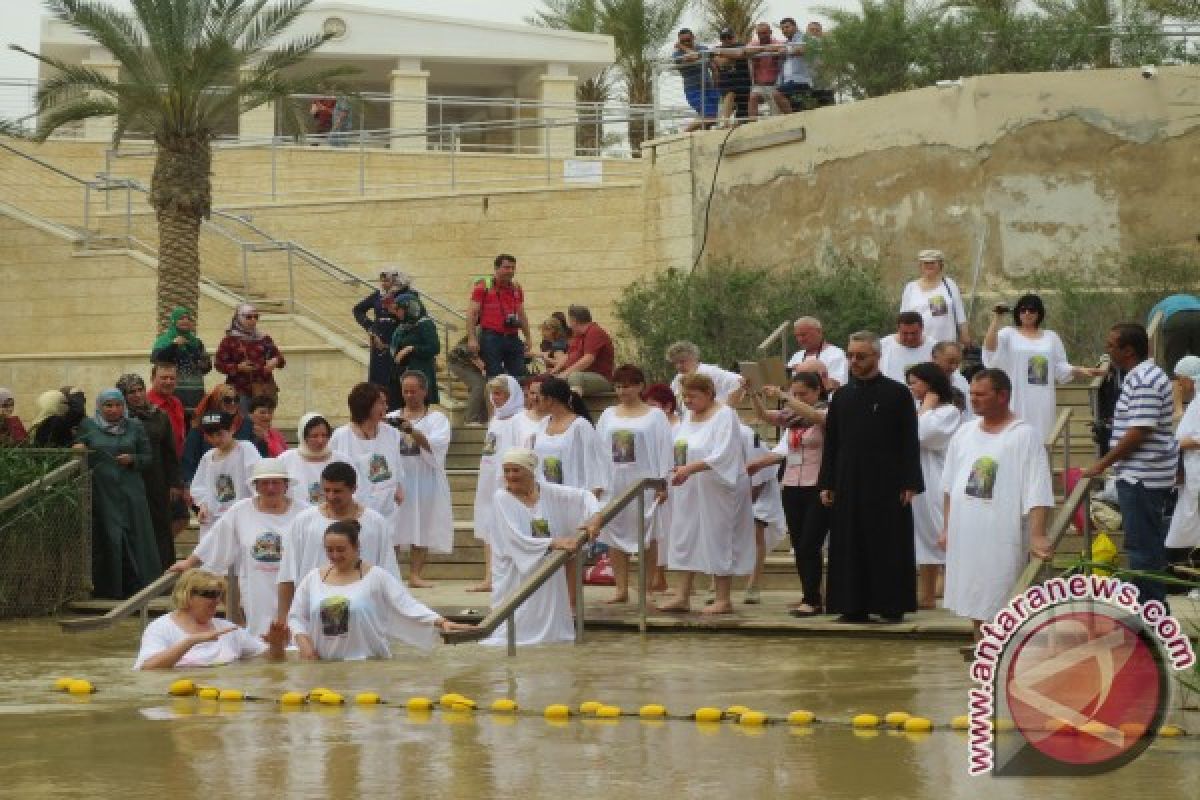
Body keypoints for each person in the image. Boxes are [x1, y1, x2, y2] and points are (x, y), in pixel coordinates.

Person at [818, 331, 923, 623]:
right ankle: (852, 605)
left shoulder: (898, 393)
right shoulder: (841, 396)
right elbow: (832, 442)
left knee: (888, 541)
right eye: (851, 355)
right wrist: (826, 481)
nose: (854, 361)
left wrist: (910, 481)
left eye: (860, 356)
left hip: (888, 482)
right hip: (847, 481)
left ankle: (891, 604)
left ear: (877, 357)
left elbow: (908, 441)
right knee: (849, 542)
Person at [941, 369, 1054, 635]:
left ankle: (1003, 657)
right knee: (973, 600)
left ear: (1002, 396)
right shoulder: (964, 432)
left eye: (981, 394)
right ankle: (984, 654)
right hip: (966, 531)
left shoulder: (1024, 435)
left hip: (1001, 533)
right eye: (971, 394)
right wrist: (947, 527)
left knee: (1001, 597)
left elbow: (1038, 489)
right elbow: (948, 486)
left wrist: (1037, 534)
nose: (974, 399)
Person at [1082, 323, 1179, 606]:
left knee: (1142, 550)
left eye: (1112, 345)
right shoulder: (1137, 377)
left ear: (1128, 350)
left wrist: (1101, 464)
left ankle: (1151, 618)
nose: (1107, 350)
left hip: (1143, 478)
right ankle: (1149, 612)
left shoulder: (1145, 379)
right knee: (1143, 547)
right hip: (1140, 475)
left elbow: (1140, 430)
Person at [288, 520, 471, 660]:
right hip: (324, 666)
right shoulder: (313, 579)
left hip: (368, 664)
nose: (335, 555)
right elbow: (296, 617)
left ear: (356, 547)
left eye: (341, 549)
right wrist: (305, 646)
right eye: (330, 550)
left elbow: (406, 604)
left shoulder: (377, 577)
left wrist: (440, 622)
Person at [482, 448, 602, 647]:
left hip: (548, 570)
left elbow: (585, 496)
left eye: (516, 470)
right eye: (507, 470)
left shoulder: (548, 491)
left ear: (530, 472)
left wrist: (595, 518)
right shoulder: (501, 498)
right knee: (507, 634)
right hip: (514, 571)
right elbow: (515, 538)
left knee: (553, 638)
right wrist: (554, 542)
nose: (510, 476)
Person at [656, 373, 754, 615]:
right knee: (684, 535)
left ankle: (723, 598)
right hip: (688, 487)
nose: (687, 401)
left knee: (718, 537)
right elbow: (677, 448)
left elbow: (724, 454)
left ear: (709, 394)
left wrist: (691, 468)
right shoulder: (687, 416)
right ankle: (682, 595)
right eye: (684, 396)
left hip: (719, 486)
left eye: (693, 396)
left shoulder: (725, 415)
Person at [171, 458, 301, 636]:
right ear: (255, 486)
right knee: (261, 634)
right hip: (257, 585)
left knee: (295, 631)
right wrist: (189, 562)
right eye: (264, 483)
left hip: (296, 585)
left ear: (286, 485)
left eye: (276, 482)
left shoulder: (304, 513)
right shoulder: (241, 510)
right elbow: (216, 538)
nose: (270, 488)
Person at [276, 462, 402, 625]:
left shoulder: (375, 523)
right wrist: (284, 620)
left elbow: (389, 575)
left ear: (353, 489)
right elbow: (287, 575)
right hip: (313, 617)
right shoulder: (304, 521)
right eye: (326, 490)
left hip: (362, 618)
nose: (330, 496)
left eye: (337, 491)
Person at [747, 373, 829, 616]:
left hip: (817, 485)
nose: (798, 398)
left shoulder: (827, 411)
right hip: (792, 485)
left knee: (810, 543)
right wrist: (754, 394)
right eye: (795, 393)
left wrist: (784, 397)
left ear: (817, 392)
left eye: (803, 394)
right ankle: (810, 594)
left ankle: (813, 599)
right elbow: (765, 416)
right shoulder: (792, 419)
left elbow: (813, 416)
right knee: (799, 544)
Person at [73, 389, 162, 599]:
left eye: (118, 405)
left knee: (137, 537)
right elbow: (80, 448)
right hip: (103, 492)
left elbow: (148, 457)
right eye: (108, 405)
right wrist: (78, 448)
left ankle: (142, 588)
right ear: (100, 407)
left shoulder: (135, 426)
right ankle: (111, 589)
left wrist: (132, 459)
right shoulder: (89, 426)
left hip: (131, 491)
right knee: (111, 538)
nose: (113, 410)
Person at [595, 365, 673, 603]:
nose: (622, 391)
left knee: (647, 534)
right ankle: (621, 588)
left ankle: (647, 589)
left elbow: (664, 448)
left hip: (644, 482)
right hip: (614, 481)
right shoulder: (608, 414)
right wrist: (597, 482)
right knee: (614, 535)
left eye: (627, 386)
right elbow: (598, 450)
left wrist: (663, 482)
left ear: (640, 386)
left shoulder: (655, 416)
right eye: (618, 386)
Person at [983, 293, 1104, 443]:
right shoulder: (1009, 334)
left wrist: (1080, 370)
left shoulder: (1051, 337)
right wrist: (997, 318)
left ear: (1039, 313)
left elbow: (1060, 366)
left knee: (1041, 439)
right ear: (1018, 313)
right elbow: (990, 349)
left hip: (1042, 398)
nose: (1027, 313)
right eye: (1023, 310)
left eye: (1032, 310)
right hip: (1017, 396)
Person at [134, 568, 285, 669]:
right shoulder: (161, 628)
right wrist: (190, 641)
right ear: (187, 595)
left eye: (219, 594)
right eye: (209, 594)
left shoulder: (227, 629)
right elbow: (147, 668)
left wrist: (277, 646)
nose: (217, 601)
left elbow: (269, 660)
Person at [387, 370, 454, 588]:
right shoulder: (390, 418)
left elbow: (434, 446)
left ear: (424, 392)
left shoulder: (437, 419)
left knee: (422, 524)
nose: (408, 395)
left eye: (413, 391)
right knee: (394, 526)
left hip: (425, 478)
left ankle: (415, 575)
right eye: (405, 391)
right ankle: (392, 573)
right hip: (399, 479)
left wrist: (411, 430)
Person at [904, 362, 962, 610]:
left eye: (915, 382)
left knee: (936, 534)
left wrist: (926, 406)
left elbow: (922, 434)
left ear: (930, 384)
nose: (911, 387)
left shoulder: (949, 411)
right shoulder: (917, 409)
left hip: (936, 480)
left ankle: (946, 590)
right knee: (921, 536)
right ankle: (926, 594)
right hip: (915, 477)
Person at [116, 373, 181, 570]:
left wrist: (175, 483)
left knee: (160, 525)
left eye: (139, 390)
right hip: (130, 478)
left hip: (157, 479)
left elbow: (170, 452)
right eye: (130, 392)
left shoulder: (159, 415)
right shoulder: (118, 419)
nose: (136, 395)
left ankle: (165, 572)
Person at [471, 375, 526, 593]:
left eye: (500, 393)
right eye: (493, 394)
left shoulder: (520, 419)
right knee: (488, 525)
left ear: (511, 394)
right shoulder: (495, 419)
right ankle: (490, 577)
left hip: (508, 479)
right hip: (488, 478)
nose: (496, 398)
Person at [329, 382, 406, 520]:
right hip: (355, 511)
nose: (386, 407)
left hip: (387, 510)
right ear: (367, 405)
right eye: (381, 403)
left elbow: (397, 465)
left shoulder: (392, 433)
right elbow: (334, 473)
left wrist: (399, 487)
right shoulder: (341, 436)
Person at [189, 410, 262, 537]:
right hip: (214, 520)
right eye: (211, 436)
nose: (216, 439)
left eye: (220, 434)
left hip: (242, 516)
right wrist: (203, 505)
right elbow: (199, 487)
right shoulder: (208, 457)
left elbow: (257, 478)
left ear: (232, 429)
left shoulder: (245, 449)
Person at [531, 377, 607, 496]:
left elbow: (595, 463)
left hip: (573, 496)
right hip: (546, 496)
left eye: (538, 396)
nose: (535, 399)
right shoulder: (543, 424)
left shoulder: (581, 426)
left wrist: (592, 496)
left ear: (549, 399)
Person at [740, 421, 788, 605]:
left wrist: (747, 500)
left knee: (756, 534)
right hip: (732, 491)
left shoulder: (748, 437)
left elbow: (761, 473)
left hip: (759, 493)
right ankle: (716, 585)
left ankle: (753, 585)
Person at [467, 254, 533, 379]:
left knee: (519, 377)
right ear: (496, 268)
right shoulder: (483, 287)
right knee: (495, 377)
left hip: (513, 337)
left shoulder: (516, 288)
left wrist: (528, 337)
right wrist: (472, 338)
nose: (511, 271)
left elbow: (522, 314)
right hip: (492, 338)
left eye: (513, 268)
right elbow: (472, 313)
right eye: (507, 267)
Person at [180, 385, 260, 488]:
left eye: (236, 399)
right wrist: (189, 486)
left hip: (241, 484)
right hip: (209, 483)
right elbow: (189, 459)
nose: (233, 403)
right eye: (227, 400)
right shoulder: (201, 424)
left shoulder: (246, 423)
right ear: (216, 401)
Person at [214, 304, 285, 414]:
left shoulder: (264, 339)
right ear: (239, 318)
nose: (253, 320)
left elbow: (280, 359)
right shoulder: (229, 340)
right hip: (240, 391)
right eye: (248, 317)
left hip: (263, 390)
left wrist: (275, 361)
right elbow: (219, 364)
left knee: (262, 423)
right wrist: (238, 367)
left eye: (256, 317)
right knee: (243, 424)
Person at [353, 269, 407, 409]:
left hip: (397, 344)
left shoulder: (405, 295)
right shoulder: (378, 295)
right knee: (378, 380)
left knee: (395, 379)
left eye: (387, 280)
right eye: (382, 280)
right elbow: (358, 309)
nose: (383, 283)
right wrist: (371, 327)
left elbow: (410, 316)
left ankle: (395, 413)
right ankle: (377, 410)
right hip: (378, 344)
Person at [278, 413, 353, 507]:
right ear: (303, 436)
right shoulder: (286, 459)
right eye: (314, 436)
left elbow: (355, 491)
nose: (320, 440)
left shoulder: (342, 460)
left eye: (324, 435)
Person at [899, 250, 970, 345]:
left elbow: (960, 313)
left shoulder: (949, 284)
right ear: (920, 266)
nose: (929, 265)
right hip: (920, 343)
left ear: (940, 265)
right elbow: (904, 319)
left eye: (932, 263)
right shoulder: (910, 287)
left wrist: (965, 335)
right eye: (926, 263)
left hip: (945, 344)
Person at [1166, 356, 1200, 551]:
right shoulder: (1195, 402)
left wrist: (1175, 444)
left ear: (1188, 378)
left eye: (1180, 379)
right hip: (1191, 471)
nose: (1179, 384)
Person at [150, 306, 211, 413]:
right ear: (173, 321)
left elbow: (207, 367)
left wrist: (203, 364)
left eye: (188, 318)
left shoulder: (197, 342)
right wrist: (174, 345)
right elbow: (156, 359)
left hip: (195, 394)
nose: (185, 321)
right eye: (181, 318)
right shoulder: (164, 341)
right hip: (173, 393)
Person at [548, 305, 615, 396]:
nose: (569, 325)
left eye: (569, 320)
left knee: (575, 376)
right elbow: (568, 356)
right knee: (549, 381)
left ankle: (575, 407)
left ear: (574, 320)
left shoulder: (594, 332)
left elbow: (588, 359)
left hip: (601, 378)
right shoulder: (578, 335)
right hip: (580, 375)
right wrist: (555, 371)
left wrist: (565, 374)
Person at [390, 293, 441, 406]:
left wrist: (411, 349)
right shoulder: (404, 326)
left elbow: (434, 348)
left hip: (420, 373)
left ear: (410, 308)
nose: (396, 312)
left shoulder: (425, 324)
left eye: (399, 309)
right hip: (404, 373)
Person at [666, 340, 744, 410]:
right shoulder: (677, 379)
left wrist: (723, 412)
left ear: (694, 358)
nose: (678, 366)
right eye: (675, 363)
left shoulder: (710, 371)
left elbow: (739, 381)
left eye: (682, 361)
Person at [672, 28, 719, 131]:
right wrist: (682, 47)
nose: (685, 43)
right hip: (693, 90)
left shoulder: (703, 48)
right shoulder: (677, 54)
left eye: (688, 40)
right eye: (682, 41)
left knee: (712, 118)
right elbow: (693, 56)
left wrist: (716, 84)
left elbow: (713, 66)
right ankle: (684, 133)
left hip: (709, 87)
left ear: (693, 37)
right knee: (709, 117)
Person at [743, 22, 790, 119]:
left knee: (776, 105)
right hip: (759, 85)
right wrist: (764, 48)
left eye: (764, 33)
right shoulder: (755, 43)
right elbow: (746, 50)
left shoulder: (776, 42)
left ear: (770, 32)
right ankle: (752, 126)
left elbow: (782, 49)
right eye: (759, 33)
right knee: (753, 97)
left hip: (775, 84)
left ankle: (790, 121)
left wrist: (772, 49)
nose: (762, 35)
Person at [786, 316, 848, 387]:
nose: (800, 339)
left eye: (804, 335)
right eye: (797, 336)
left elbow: (839, 384)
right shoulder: (797, 356)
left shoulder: (836, 354)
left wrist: (808, 373)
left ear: (819, 332)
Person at [880, 311, 938, 384]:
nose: (910, 337)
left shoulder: (935, 347)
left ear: (922, 328)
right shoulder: (883, 346)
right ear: (898, 329)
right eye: (905, 333)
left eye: (914, 333)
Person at [447, 331, 488, 425]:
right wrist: (478, 361)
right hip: (458, 361)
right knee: (479, 385)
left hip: (469, 363)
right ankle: (470, 419)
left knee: (484, 385)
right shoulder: (483, 331)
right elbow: (469, 348)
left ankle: (483, 418)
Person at [146, 362, 186, 457]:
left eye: (172, 378)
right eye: (164, 378)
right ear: (152, 379)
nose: (168, 382)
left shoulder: (177, 403)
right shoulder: (145, 405)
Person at [713, 28, 751, 124]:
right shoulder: (716, 48)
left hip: (743, 84)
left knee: (743, 115)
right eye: (723, 37)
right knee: (730, 94)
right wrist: (732, 55)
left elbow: (740, 53)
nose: (726, 40)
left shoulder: (741, 45)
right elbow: (721, 63)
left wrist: (721, 52)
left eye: (729, 37)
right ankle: (725, 123)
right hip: (727, 84)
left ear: (734, 37)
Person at [777, 17, 812, 111]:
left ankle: (792, 119)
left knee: (777, 94)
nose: (784, 30)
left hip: (800, 80)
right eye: (782, 28)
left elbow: (802, 49)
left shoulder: (803, 37)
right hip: (788, 80)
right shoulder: (786, 43)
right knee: (799, 108)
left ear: (795, 27)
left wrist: (787, 50)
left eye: (787, 27)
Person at [931, 341, 972, 420]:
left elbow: (970, 411)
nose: (954, 367)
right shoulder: (916, 381)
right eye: (950, 362)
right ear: (934, 358)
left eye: (957, 363)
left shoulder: (961, 381)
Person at [805, 21, 835, 106]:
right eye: (811, 30)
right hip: (809, 85)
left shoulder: (827, 44)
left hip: (826, 86)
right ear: (807, 32)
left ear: (821, 32)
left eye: (817, 30)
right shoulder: (803, 44)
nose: (814, 32)